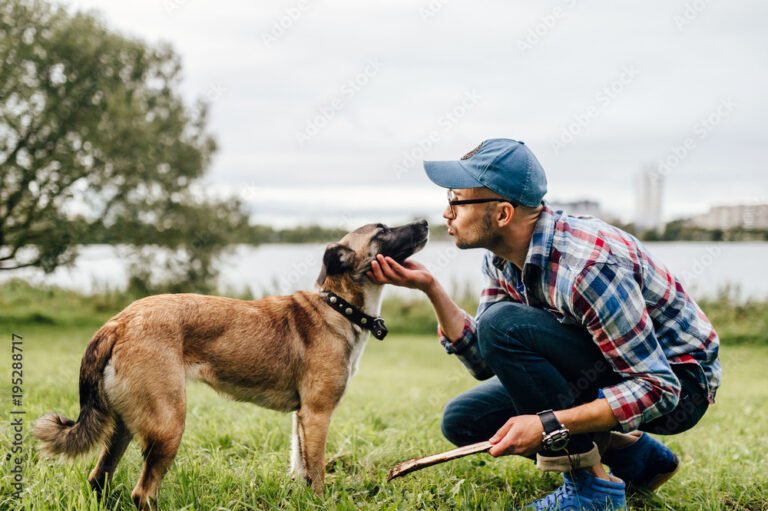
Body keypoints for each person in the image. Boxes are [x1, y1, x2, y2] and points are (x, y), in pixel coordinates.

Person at [367, 139, 721, 510]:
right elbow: (484, 359)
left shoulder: (587, 267)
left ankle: (591, 488)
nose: (446, 213)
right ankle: (637, 459)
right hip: (610, 366)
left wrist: (548, 424)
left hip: (680, 385)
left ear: (503, 214)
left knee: (501, 323)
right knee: (465, 420)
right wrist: (431, 288)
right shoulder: (503, 257)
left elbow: (659, 388)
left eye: (457, 199)